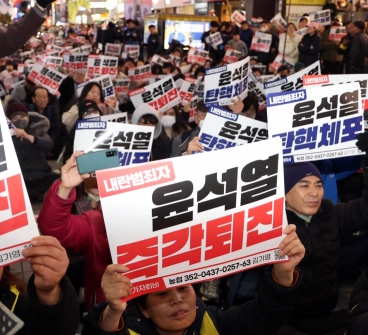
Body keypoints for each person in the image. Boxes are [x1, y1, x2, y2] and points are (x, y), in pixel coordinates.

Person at [82, 226, 305, 335]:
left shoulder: (215, 323)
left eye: (183, 288)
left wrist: (284, 273)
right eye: (162, 293)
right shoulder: (128, 330)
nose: (177, 299)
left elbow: (265, 317)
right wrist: (113, 311)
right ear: (144, 309)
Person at [276, 134, 368, 335]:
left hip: (328, 317)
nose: (314, 192)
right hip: (283, 322)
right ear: (284, 192)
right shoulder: (271, 226)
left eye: (318, 184)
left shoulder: (332, 213)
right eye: (304, 185)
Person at [37, 152, 113, 310]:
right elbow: (53, 227)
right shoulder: (92, 218)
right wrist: (65, 187)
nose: (97, 176)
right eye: (92, 169)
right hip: (75, 264)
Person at [7, 102, 59, 202]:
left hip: (43, 177)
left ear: (28, 117)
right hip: (22, 180)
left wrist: (28, 137)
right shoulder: (6, 137)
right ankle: (40, 196)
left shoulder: (36, 130)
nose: (19, 120)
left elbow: (49, 145)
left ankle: (38, 196)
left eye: (22, 116)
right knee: (13, 189)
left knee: (60, 180)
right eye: (15, 118)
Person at [28, 86, 66, 158]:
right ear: (33, 99)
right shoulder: (28, 109)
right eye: (39, 97)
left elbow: (55, 129)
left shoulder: (52, 110)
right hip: (34, 139)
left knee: (63, 140)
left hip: (49, 139)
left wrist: (47, 145)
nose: (42, 100)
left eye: (44, 97)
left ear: (48, 99)